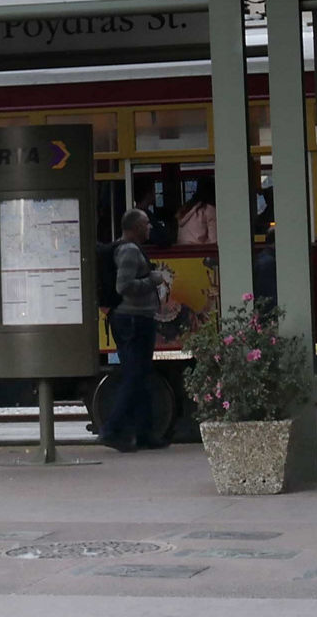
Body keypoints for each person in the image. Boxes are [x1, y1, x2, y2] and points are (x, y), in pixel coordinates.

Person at [99, 208, 172, 452]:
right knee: (134, 375)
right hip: (132, 319)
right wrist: (153, 279)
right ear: (135, 227)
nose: (150, 227)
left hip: (134, 319)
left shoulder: (126, 248)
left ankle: (144, 433)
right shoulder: (129, 251)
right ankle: (111, 430)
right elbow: (124, 286)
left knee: (140, 375)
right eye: (147, 223)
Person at [175, 177, 217, 246]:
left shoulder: (187, 208)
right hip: (199, 253)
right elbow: (214, 241)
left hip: (182, 252)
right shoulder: (209, 210)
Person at [133, 182, 176, 248]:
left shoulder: (137, 214)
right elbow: (162, 240)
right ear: (148, 194)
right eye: (154, 191)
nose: (155, 194)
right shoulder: (143, 216)